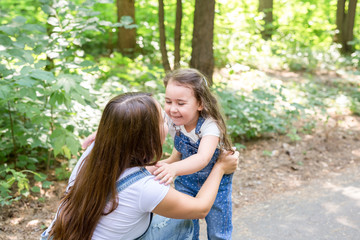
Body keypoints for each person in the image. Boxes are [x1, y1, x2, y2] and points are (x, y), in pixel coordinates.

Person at [40, 92, 239, 240]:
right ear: (147, 136)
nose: (169, 121)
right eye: (163, 120)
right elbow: (200, 208)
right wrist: (220, 167)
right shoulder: (145, 189)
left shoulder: (95, 150)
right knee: (181, 218)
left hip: (59, 234)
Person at [151, 68, 235, 240]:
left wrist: (173, 169)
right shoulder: (174, 121)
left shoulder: (209, 126)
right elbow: (144, 126)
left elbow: (202, 158)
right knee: (185, 227)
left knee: (218, 231)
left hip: (216, 185)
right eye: (168, 101)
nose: (173, 109)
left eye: (180, 103)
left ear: (200, 104)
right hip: (186, 183)